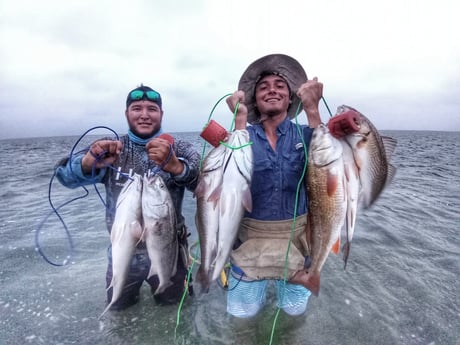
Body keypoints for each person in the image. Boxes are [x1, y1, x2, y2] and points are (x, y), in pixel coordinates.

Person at [55, 84, 201, 310]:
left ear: (161, 114)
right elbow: (63, 176)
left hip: (170, 250)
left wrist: (176, 167)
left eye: (152, 109)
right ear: (127, 113)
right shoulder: (111, 148)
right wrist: (87, 164)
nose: (144, 115)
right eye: (137, 108)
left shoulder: (179, 148)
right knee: (118, 315)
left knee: (176, 314)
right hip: (123, 254)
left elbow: (203, 184)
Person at [224, 54, 323, 318]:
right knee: (241, 316)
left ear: (291, 98)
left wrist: (313, 110)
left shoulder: (306, 135)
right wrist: (239, 121)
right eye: (263, 86)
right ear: (254, 99)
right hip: (248, 241)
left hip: (298, 241)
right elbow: (227, 179)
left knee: (293, 314)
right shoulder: (241, 135)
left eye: (280, 86)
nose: (272, 90)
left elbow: (328, 167)